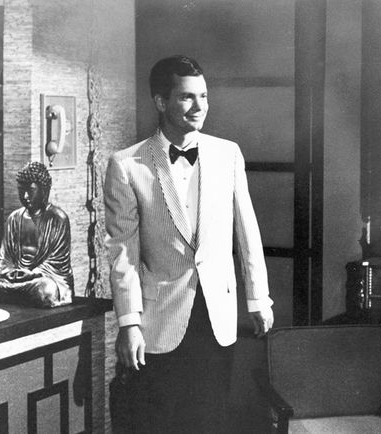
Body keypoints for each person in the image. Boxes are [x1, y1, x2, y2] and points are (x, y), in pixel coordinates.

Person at [104, 55, 274, 433]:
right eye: (186, 97)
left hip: (217, 317)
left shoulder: (228, 154)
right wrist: (129, 323)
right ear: (161, 101)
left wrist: (258, 298)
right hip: (159, 319)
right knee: (160, 423)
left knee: (210, 420)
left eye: (204, 96)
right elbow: (123, 254)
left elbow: (248, 232)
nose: (200, 106)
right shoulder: (126, 165)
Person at [0, 161, 73, 307]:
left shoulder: (58, 218)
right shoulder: (14, 218)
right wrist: (12, 272)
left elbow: (57, 263)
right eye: (21, 190)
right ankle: (16, 294)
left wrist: (31, 274)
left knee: (46, 290)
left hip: (45, 277)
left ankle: (10, 294)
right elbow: (5, 259)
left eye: (31, 191)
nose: (25, 196)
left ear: (44, 190)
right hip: (16, 276)